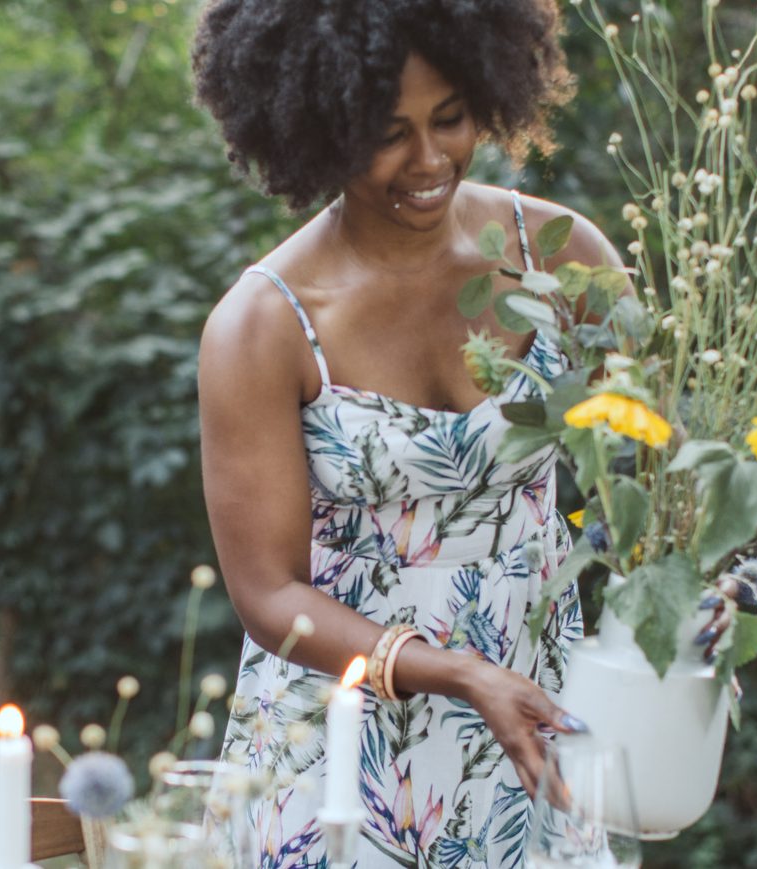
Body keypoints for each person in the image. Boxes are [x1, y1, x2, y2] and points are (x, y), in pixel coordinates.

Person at [190, 1, 622, 864]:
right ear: (317, 128)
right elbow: (269, 594)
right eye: (386, 132)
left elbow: (655, 471)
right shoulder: (263, 326)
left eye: (450, 118)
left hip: (527, 731)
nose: (428, 161)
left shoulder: (564, 260)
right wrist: (459, 671)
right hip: (338, 747)